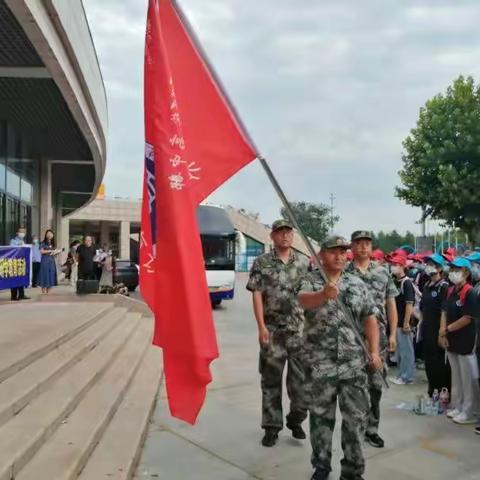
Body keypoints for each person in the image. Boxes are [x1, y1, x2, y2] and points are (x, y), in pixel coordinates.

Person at [297, 235, 381, 480]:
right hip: (319, 364)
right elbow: (302, 301)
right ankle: (321, 467)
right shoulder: (310, 280)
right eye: (334, 251)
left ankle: (353, 471)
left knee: (355, 420)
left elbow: (370, 319)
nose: (340, 256)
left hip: (354, 365)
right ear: (322, 254)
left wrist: (374, 352)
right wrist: (323, 294)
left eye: (344, 252)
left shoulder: (357, 284)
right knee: (321, 420)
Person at [246, 219, 309, 448]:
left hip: (299, 332)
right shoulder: (262, 263)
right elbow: (256, 294)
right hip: (273, 332)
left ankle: (296, 419)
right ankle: (271, 427)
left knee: (301, 385)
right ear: (272, 236)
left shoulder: (304, 262)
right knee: (271, 382)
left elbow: (312, 295)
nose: (285, 236)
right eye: (280, 232)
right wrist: (261, 326)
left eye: (288, 232)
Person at [346, 230, 398, 449]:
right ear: (352, 246)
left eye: (367, 243)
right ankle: (354, 428)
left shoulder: (382, 272)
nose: (363, 247)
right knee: (353, 387)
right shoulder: (345, 273)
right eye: (359, 243)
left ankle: (372, 428)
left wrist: (393, 334)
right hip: (351, 339)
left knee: (375, 386)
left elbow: (391, 304)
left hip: (379, 340)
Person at [439, 257, 480, 425]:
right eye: (452, 269)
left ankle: (469, 410)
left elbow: (467, 318)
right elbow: (444, 312)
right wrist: (443, 333)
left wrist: (447, 329)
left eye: (458, 270)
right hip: (451, 340)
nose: (453, 272)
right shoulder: (450, 291)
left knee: (468, 377)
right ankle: (459, 405)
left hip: (466, 340)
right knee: (456, 376)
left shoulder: (469, 292)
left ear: (466, 273)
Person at [420, 254, 450, 397]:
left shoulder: (443, 287)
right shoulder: (427, 285)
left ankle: (442, 391)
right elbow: (422, 308)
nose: (428, 267)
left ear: (439, 268)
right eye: (428, 264)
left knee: (439, 363)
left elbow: (445, 311)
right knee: (429, 362)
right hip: (426, 329)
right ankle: (432, 390)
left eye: (432, 264)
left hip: (437, 329)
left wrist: (442, 332)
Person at [388, 254, 416, 385]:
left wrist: (406, 322)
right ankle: (401, 374)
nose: (393, 267)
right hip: (396, 322)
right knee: (400, 351)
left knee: (407, 351)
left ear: (402, 266)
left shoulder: (407, 283)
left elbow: (409, 304)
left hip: (404, 323)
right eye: (392, 264)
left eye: (396, 265)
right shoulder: (395, 281)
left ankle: (407, 376)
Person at [9, 227, 30, 301]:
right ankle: (13, 296)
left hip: (21, 262)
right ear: (17, 233)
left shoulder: (23, 241)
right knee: (14, 279)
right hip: (14, 262)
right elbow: (12, 249)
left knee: (21, 278)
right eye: (21, 232)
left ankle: (21, 294)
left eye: (24, 232)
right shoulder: (13, 240)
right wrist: (19, 244)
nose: (22, 233)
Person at [38, 230, 58, 294]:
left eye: (51, 234)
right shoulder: (42, 243)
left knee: (51, 276)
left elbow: (54, 255)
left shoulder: (53, 244)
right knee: (45, 275)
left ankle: (48, 293)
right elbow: (41, 251)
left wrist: (56, 253)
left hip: (51, 261)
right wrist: (50, 251)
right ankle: (43, 293)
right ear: (46, 235)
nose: (49, 235)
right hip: (45, 261)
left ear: (53, 235)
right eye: (48, 233)